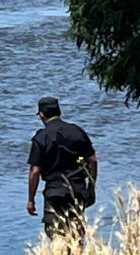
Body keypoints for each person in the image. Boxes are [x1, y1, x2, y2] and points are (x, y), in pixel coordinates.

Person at [27, 97, 98, 241]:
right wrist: (91, 188)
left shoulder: (41, 138)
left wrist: (31, 200)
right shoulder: (77, 131)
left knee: (55, 232)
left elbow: (35, 171)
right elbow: (92, 161)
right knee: (76, 232)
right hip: (77, 189)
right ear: (59, 111)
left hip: (55, 191)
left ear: (41, 114)